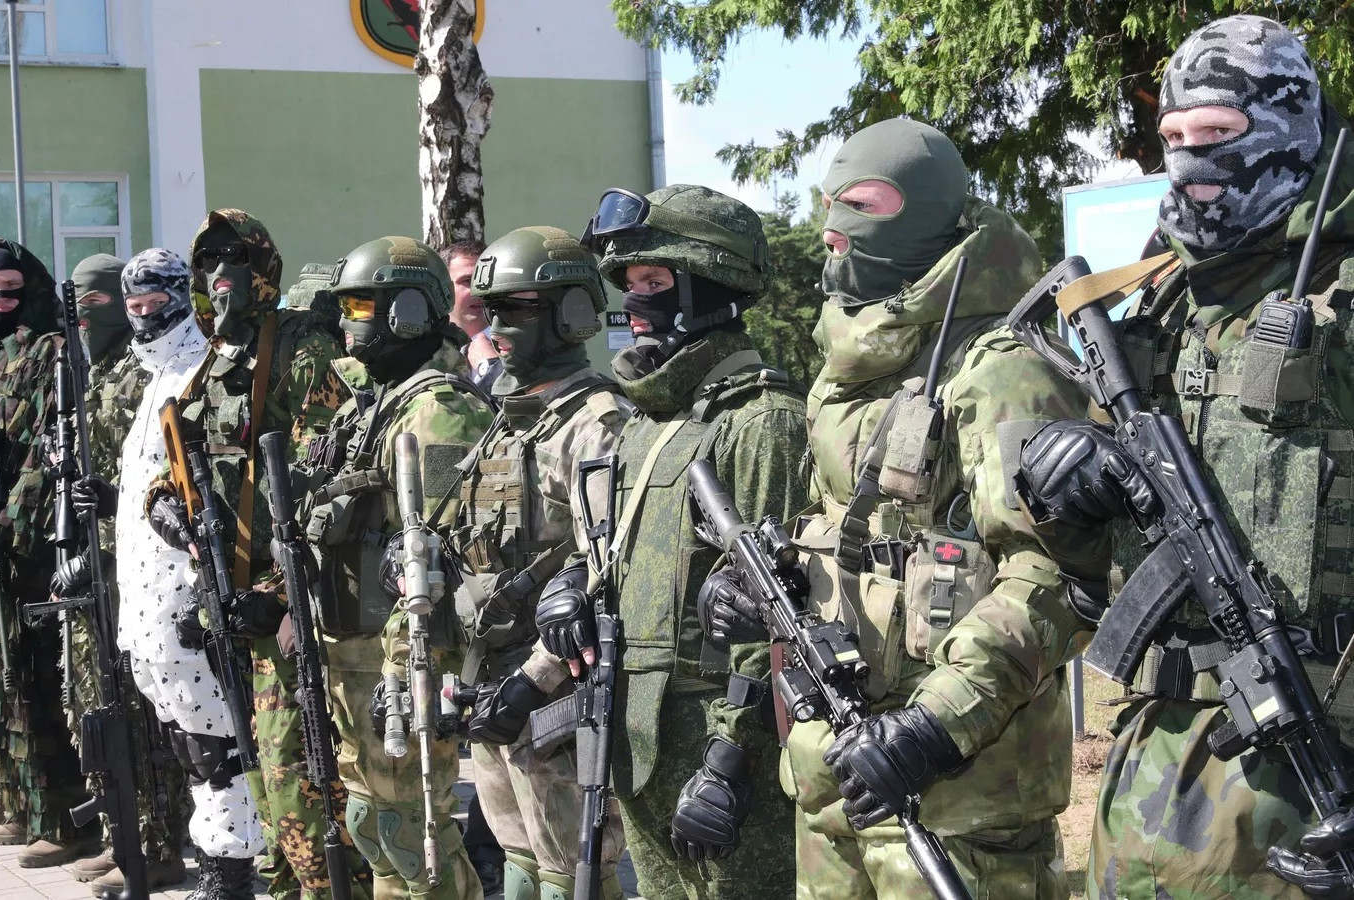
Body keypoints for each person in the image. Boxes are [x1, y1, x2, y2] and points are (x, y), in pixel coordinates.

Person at [1014, 16, 1354, 898]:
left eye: (1216, 130)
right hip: (1149, 778)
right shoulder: (1159, 302)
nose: (1190, 158)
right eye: (1171, 135)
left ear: (1287, 127)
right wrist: (1071, 488)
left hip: (1312, 781)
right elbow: (1088, 579)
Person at [721, 118, 1103, 898]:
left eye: (863, 204)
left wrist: (933, 726)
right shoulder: (850, 366)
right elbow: (843, 530)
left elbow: (1056, 579)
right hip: (833, 781)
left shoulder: (1000, 371)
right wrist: (756, 586)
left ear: (925, 214)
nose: (834, 228)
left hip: (958, 802)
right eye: (829, 204)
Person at [535, 184, 808, 900]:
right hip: (636, 738)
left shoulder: (761, 421)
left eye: (653, 282)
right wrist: (573, 584)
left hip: (721, 750)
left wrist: (731, 758)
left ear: (708, 286)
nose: (633, 302)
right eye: (628, 282)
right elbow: (615, 549)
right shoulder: (649, 423)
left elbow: (775, 613)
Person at [151, 209, 363, 900]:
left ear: (264, 266)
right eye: (208, 260)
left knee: (301, 778)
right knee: (263, 782)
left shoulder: (300, 348)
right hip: (230, 603)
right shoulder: (215, 360)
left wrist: (274, 592)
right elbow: (181, 463)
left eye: (235, 258)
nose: (221, 273)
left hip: (295, 600)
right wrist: (164, 506)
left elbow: (330, 480)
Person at [302, 235, 495, 899]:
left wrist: (409, 670)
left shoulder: (439, 410)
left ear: (407, 311)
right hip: (349, 650)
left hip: (399, 660)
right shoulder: (374, 405)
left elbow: (440, 562)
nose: (348, 320)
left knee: (412, 833)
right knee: (370, 824)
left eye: (361, 305)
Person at [444, 226, 631, 900]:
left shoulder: (597, 422)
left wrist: (531, 683)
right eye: (491, 309)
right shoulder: (508, 417)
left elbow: (606, 575)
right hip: (493, 683)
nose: (497, 326)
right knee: (519, 867)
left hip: (554, 694)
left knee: (568, 876)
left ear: (571, 313)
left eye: (517, 309)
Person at [51, 253, 194, 894]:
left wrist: (109, 527)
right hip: (112, 563)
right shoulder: (111, 371)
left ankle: (157, 845)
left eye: (146, 303)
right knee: (97, 705)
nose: (138, 316)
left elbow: (162, 476)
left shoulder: (161, 370)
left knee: (147, 718)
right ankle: (126, 838)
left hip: (148, 566)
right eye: (130, 305)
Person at [0, 239, 96, 866]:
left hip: (35, 545)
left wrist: (11, 518)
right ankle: (19, 804)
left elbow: (48, 446)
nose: (2, 300)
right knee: (1, 685)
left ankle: (64, 820)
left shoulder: (54, 352)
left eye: (12, 288)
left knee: (36, 681)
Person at [443, 240, 502, 391]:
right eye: (468, 281)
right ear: (444, 288)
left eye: (487, 279)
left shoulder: (520, 345)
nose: (479, 290)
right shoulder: (427, 349)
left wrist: (491, 367)